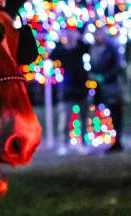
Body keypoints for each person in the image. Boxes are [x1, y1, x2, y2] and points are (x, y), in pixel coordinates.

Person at [50, 27, 90, 155]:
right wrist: (59, 41)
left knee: (83, 118)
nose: (70, 37)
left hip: (81, 88)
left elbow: (87, 46)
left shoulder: (80, 49)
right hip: (66, 90)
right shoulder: (61, 51)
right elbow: (51, 55)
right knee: (64, 119)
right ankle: (63, 144)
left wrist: (79, 37)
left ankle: (83, 143)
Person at [89, 26, 126, 152]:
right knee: (104, 113)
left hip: (112, 86)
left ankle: (117, 141)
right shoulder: (93, 49)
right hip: (100, 88)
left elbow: (119, 66)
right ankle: (106, 137)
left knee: (115, 113)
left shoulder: (112, 48)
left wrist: (104, 77)